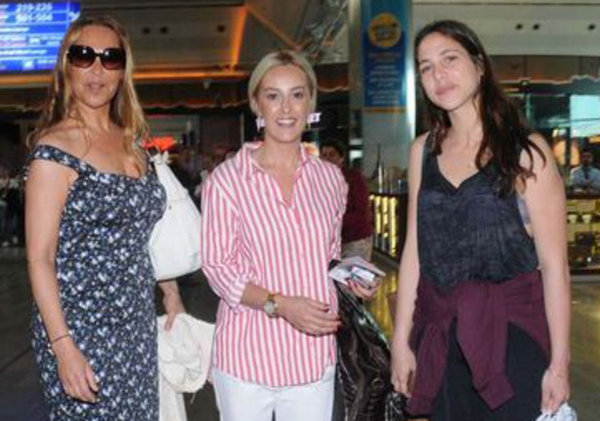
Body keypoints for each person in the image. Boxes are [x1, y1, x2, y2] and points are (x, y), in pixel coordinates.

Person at [391, 20, 570, 421]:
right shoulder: (423, 151)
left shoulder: (526, 151)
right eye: (426, 67)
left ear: (479, 64)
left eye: (449, 59)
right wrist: (401, 342)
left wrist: (559, 363)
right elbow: (414, 252)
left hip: (511, 333)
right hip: (441, 332)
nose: (438, 74)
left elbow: (554, 266)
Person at [201, 50, 376, 421]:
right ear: (256, 104)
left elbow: (327, 256)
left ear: (310, 102)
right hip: (246, 357)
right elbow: (218, 268)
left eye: (297, 95)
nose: (286, 108)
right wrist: (280, 305)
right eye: (273, 95)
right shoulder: (227, 181)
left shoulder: (330, 179)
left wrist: (351, 278)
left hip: (312, 356)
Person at [25, 15, 182, 420]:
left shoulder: (133, 143)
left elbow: (144, 232)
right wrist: (63, 346)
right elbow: (40, 258)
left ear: (123, 71)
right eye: (84, 56)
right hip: (79, 327)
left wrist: (170, 291)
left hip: (136, 323)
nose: (97, 69)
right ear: (67, 66)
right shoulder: (54, 150)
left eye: (111, 58)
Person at [320, 139, 374, 261]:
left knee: (354, 272)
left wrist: (334, 221)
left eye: (332, 155)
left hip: (355, 239)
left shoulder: (354, 177)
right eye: (324, 155)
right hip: (332, 241)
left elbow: (361, 212)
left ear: (341, 158)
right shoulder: (319, 180)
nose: (327, 159)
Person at [0, 167, 22, 246]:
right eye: (3, 171)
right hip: (2, 205)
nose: (5, 173)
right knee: (4, 223)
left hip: (12, 205)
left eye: (6, 171)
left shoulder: (13, 182)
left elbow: (18, 193)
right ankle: (5, 239)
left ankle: (14, 236)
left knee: (14, 221)